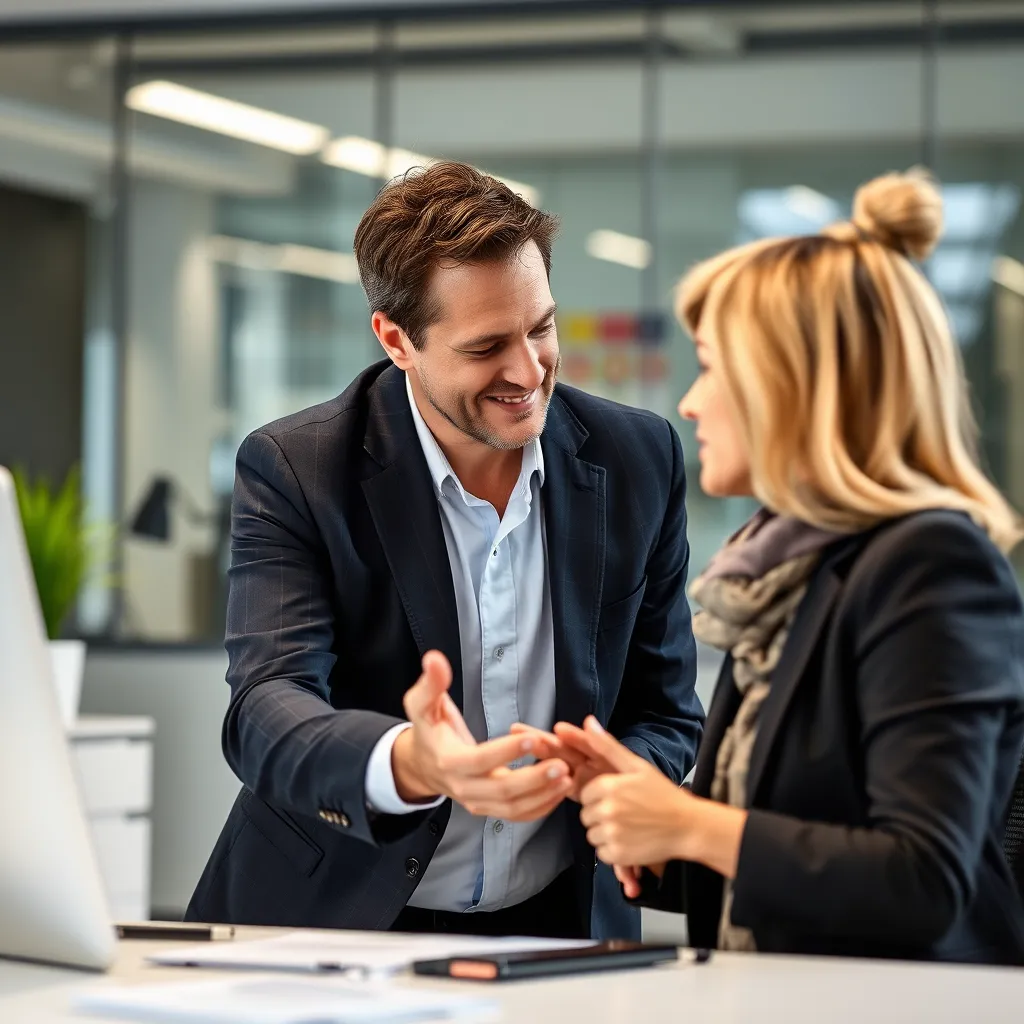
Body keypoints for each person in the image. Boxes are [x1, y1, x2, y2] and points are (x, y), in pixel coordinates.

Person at [185, 161, 705, 941]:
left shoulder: (639, 457)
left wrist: (607, 773)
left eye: (541, 327)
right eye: (487, 345)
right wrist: (410, 763)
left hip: (559, 923)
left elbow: (666, 711)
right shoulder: (299, 468)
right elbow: (264, 709)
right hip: (336, 919)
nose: (528, 372)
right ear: (397, 340)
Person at [541, 169, 1024, 963]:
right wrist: (654, 820)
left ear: (791, 387)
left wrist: (691, 823)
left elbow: (924, 880)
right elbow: (787, 852)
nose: (690, 403)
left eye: (710, 366)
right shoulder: (786, 576)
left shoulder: (930, 568)